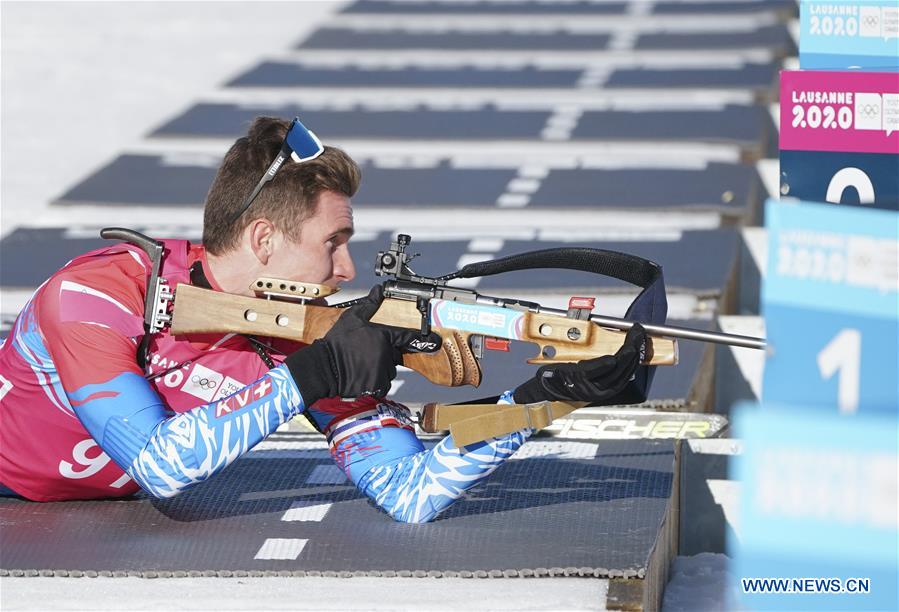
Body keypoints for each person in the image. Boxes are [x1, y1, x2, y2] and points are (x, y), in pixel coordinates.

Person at [0, 116, 645, 522]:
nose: (347, 270)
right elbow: (162, 468)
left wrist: (540, 401)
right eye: (333, 242)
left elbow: (410, 492)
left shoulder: (305, 335)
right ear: (262, 240)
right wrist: (309, 376)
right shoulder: (96, 292)